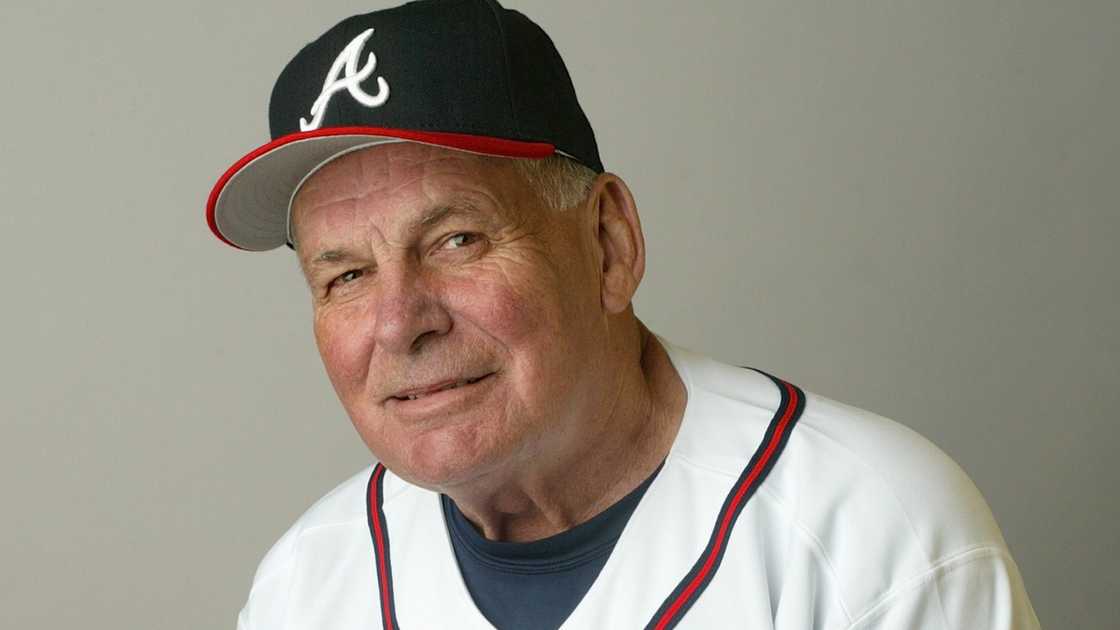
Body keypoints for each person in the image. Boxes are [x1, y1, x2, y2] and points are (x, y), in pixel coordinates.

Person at [207, 1, 1040, 628]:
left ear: (609, 243)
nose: (398, 322)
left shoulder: (871, 532)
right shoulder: (305, 587)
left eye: (456, 239)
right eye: (345, 275)